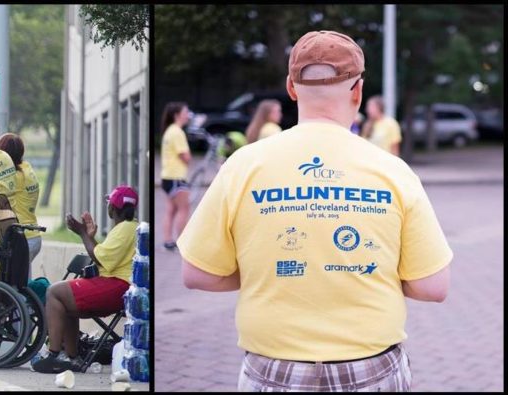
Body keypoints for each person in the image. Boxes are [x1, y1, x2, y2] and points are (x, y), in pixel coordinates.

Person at [178, 30, 452, 392]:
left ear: (291, 88)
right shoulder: (392, 171)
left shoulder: (243, 165)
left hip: (271, 370)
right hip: (371, 369)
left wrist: (268, 271)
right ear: (357, 90)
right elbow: (433, 286)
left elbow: (197, 273)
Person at [30, 185, 138, 374]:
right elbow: (104, 257)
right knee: (65, 297)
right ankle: (72, 358)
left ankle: (54, 354)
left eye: (109, 204)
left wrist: (82, 233)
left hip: (118, 286)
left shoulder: (125, 229)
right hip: (118, 284)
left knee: (54, 292)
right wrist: (89, 237)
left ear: (112, 208)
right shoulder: (129, 227)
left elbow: (100, 258)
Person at [0, 133, 42, 265]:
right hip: (32, 235)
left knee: (16, 284)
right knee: (22, 281)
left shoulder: (14, 177)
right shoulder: (27, 168)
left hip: (23, 238)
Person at [159, 102, 191, 251]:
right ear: (177, 115)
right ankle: (182, 241)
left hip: (167, 176)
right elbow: (184, 156)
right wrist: (189, 157)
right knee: (184, 208)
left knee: (171, 209)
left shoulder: (169, 131)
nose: (188, 115)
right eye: (185, 112)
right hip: (177, 177)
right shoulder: (177, 132)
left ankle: (167, 240)